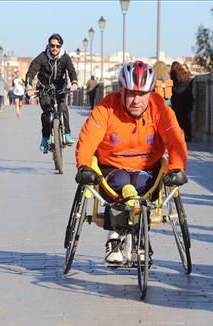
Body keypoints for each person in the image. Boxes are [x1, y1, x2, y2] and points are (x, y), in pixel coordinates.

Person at [75, 61, 188, 264]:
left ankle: (140, 234)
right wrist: (83, 165)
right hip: (111, 169)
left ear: (151, 92)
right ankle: (115, 237)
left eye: (142, 94)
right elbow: (88, 137)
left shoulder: (160, 108)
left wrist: (177, 167)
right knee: (121, 179)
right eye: (131, 94)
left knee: (141, 183)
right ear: (122, 91)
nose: (137, 100)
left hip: (147, 170)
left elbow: (175, 140)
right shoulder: (107, 107)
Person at [25, 33, 78, 152]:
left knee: (63, 107)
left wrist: (74, 83)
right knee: (47, 114)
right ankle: (45, 139)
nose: (55, 48)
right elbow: (31, 72)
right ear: (48, 45)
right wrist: (29, 87)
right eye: (52, 45)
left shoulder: (65, 58)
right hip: (44, 88)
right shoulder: (42, 57)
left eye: (57, 46)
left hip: (60, 87)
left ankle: (67, 134)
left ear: (61, 46)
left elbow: (71, 71)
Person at [170, 61, 194, 142]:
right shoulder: (187, 77)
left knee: (179, 118)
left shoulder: (174, 75)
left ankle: (180, 134)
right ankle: (188, 135)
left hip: (177, 99)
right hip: (187, 99)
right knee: (186, 118)